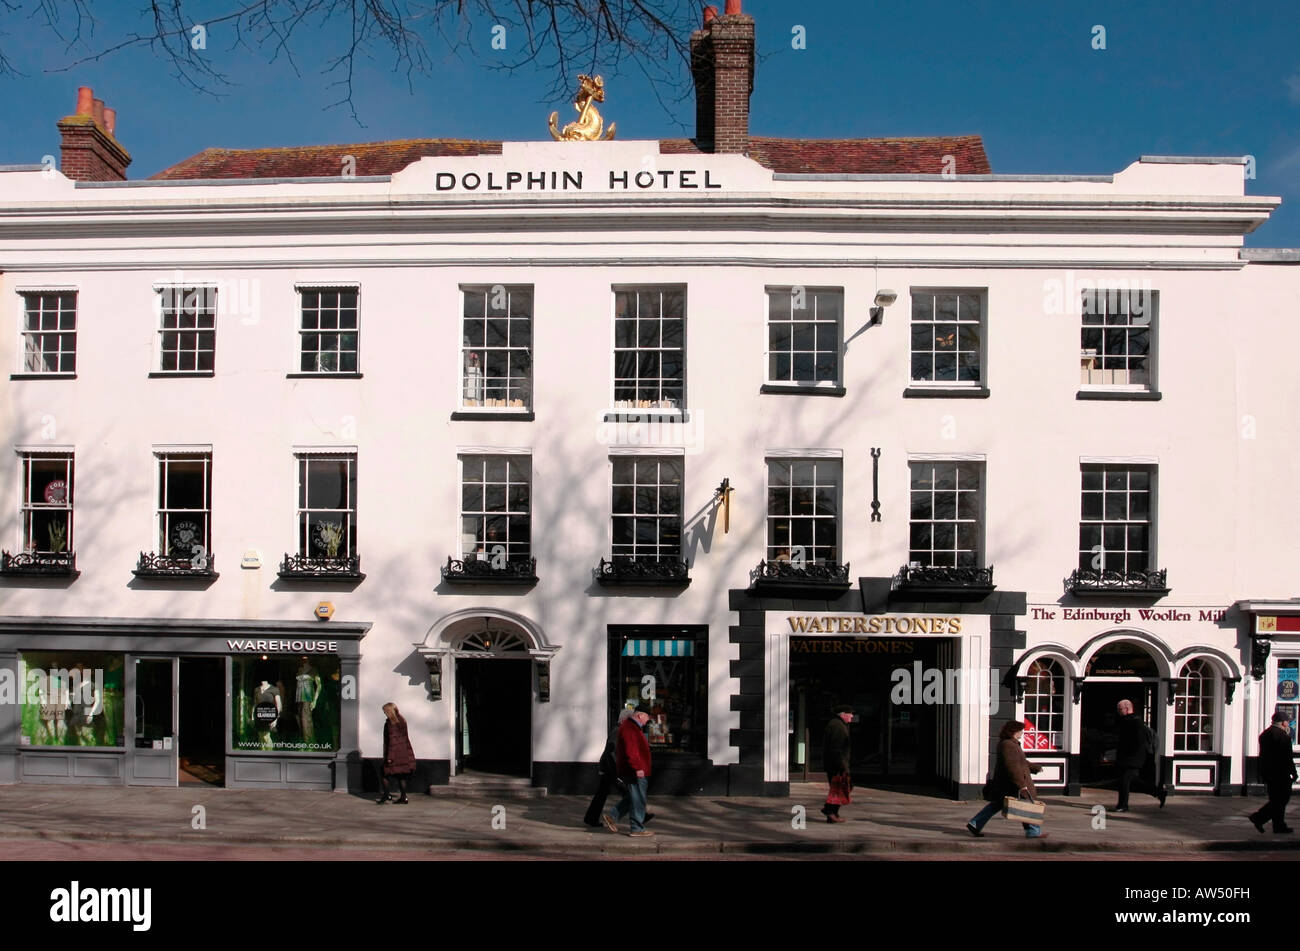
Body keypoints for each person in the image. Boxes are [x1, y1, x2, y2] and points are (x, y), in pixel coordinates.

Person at [966, 720, 1047, 838]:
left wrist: (1035, 768)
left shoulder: (1011, 744)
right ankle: (1033, 832)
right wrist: (1021, 785)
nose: (1022, 733)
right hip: (1011, 784)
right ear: (1014, 731)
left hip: (1007, 785)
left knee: (997, 805)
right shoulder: (1008, 745)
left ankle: (975, 824)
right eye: (1020, 731)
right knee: (1028, 805)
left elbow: (1021, 762)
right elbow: (1012, 767)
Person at [604, 709, 653, 836]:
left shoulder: (631, 727)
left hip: (632, 770)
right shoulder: (630, 728)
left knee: (632, 797)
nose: (647, 720)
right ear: (640, 715)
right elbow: (631, 752)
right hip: (634, 771)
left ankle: (612, 816)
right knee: (638, 799)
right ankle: (637, 828)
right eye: (647, 717)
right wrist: (637, 768)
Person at [1250, 709, 1297, 834]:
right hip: (1281, 773)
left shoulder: (1265, 734)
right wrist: (1294, 772)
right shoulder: (1283, 736)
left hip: (1268, 772)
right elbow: (1287, 757)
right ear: (1283, 723)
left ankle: (1278, 825)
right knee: (1281, 800)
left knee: (1276, 799)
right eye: (1287, 721)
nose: (1288, 723)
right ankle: (1259, 817)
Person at [1115, 699, 1167, 811]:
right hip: (1127, 757)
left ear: (1127, 708)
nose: (1118, 711)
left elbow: (1137, 742)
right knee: (1132, 781)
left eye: (1120, 709)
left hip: (1132, 758)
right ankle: (1158, 792)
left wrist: (1129, 754)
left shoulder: (1135, 722)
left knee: (1125, 781)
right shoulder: (1126, 721)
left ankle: (1123, 805)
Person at [584, 709, 631, 826]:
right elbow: (611, 752)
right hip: (611, 769)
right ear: (624, 720)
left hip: (609, 768)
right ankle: (637, 817)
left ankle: (591, 818)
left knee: (601, 794)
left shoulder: (619, 730)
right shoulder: (618, 731)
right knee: (629, 794)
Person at [378, 702, 416, 804]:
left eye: (385, 711)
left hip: (395, 754)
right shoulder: (402, 720)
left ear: (389, 711)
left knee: (384, 773)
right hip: (404, 752)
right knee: (401, 776)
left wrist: (389, 757)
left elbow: (393, 742)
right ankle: (404, 797)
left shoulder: (392, 724)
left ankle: (387, 795)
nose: (384, 713)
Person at [822, 705, 854, 823]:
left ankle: (832, 813)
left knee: (839, 789)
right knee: (841, 789)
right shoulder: (837, 726)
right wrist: (843, 767)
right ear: (843, 714)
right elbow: (837, 749)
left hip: (835, 764)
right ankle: (830, 810)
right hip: (836, 766)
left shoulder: (837, 724)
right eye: (850, 714)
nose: (851, 717)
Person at [295, 658, 321, 744]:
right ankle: (303, 741)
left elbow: (319, 685)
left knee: (306, 719)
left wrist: (315, 700)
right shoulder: (300, 670)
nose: (303, 661)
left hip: (308, 697)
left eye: (305, 659)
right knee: (299, 719)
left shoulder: (313, 670)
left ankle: (309, 742)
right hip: (299, 697)